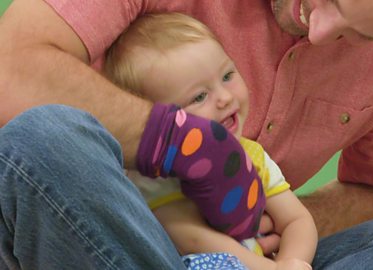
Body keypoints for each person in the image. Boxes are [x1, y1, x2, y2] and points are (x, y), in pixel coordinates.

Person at [0, 0, 373, 269]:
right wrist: (186, 146)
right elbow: (11, 71)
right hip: (111, 231)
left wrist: (265, 226)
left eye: (363, 35)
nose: (319, 34)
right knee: (41, 135)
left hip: (259, 255)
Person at [103, 12, 317, 270]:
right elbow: (190, 237)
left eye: (227, 76)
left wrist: (292, 261)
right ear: (160, 123)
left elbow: (296, 220)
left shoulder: (252, 156)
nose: (225, 98)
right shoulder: (151, 178)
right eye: (199, 96)